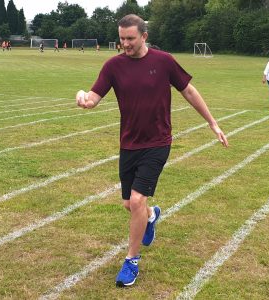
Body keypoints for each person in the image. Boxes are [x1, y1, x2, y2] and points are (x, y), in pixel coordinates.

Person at [75, 14, 228, 288]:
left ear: (144, 36)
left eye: (130, 39)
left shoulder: (164, 61)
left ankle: (131, 261)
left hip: (158, 142)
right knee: (129, 205)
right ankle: (152, 216)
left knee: (136, 201)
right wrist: (84, 100)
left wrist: (213, 123)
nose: (125, 44)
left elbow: (189, 92)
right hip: (128, 144)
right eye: (122, 39)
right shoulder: (113, 66)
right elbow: (94, 98)